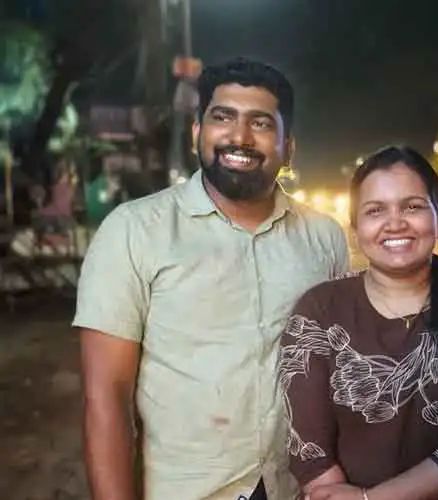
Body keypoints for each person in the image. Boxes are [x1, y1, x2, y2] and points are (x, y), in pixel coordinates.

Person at [74, 57, 349, 500]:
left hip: (294, 488)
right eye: (223, 117)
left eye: (261, 123)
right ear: (197, 133)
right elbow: (106, 396)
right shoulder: (134, 231)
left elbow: (335, 373)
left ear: (288, 147)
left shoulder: (323, 237)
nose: (239, 137)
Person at [277, 146, 438, 499]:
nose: (395, 223)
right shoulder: (319, 311)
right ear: (356, 229)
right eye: (375, 210)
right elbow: (309, 450)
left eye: (412, 207)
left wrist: (372, 499)